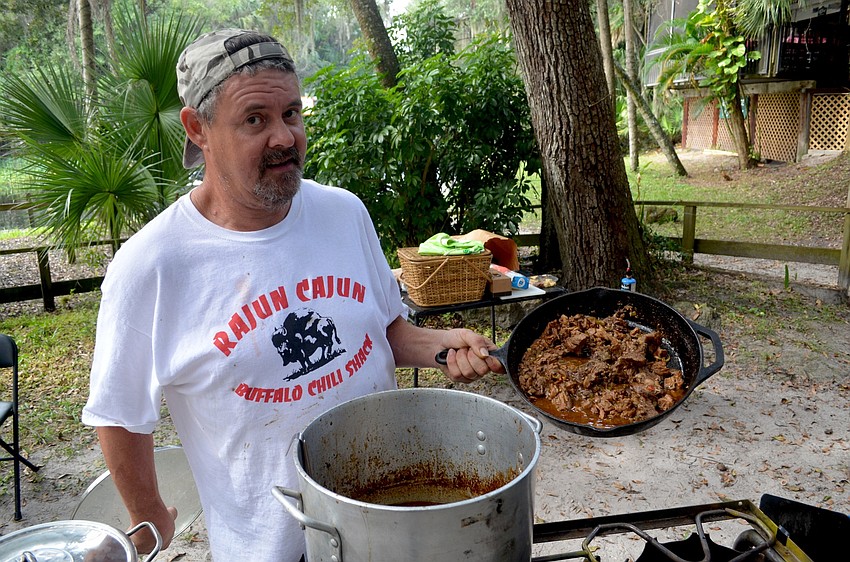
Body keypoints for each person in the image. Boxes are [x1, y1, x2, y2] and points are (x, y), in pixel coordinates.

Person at [81, 28, 503, 562]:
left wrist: (441, 345)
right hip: (270, 544)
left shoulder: (343, 213)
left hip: (390, 516)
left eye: (292, 114)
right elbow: (119, 413)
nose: (284, 137)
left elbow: (386, 330)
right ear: (198, 128)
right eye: (255, 119)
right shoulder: (153, 265)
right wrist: (150, 516)